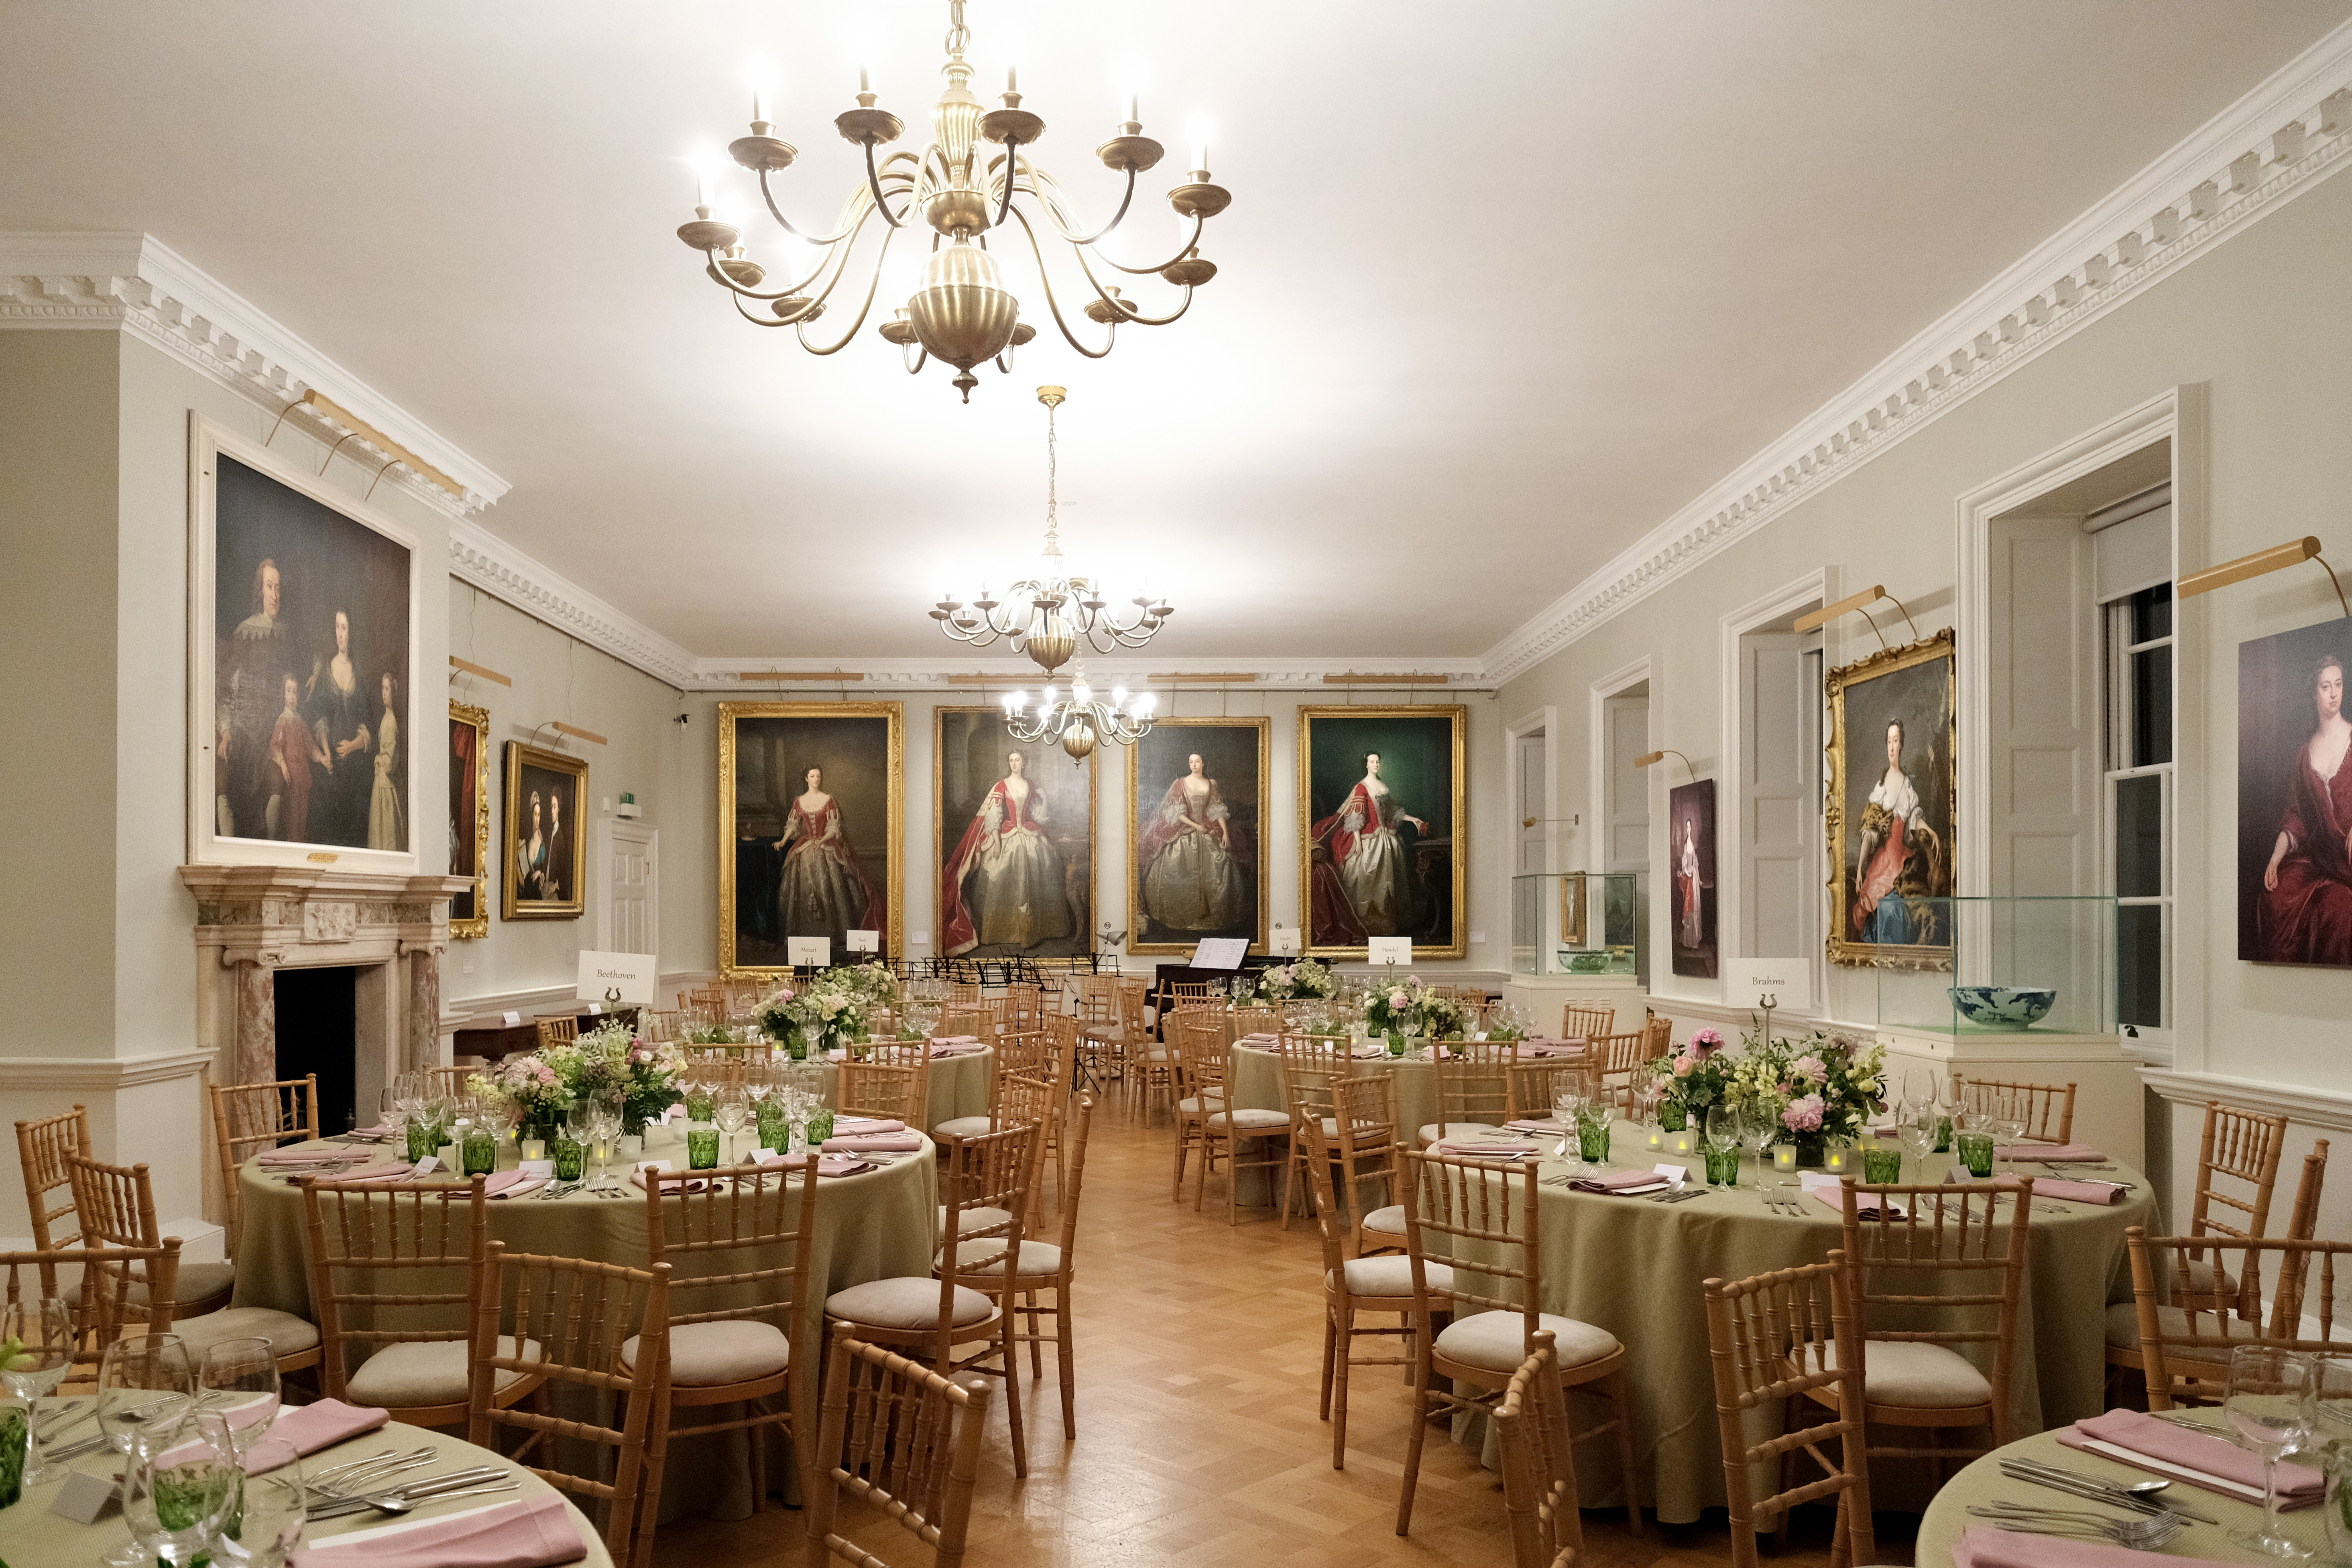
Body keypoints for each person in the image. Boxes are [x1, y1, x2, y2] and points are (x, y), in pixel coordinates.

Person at [2256, 652, 2352, 964]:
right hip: (2322, 858)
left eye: (2338, 684)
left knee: (2339, 909)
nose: (2334, 693)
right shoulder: (2304, 755)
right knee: (2277, 896)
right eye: (2326, 686)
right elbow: (2296, 817)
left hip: (2350, 855)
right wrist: (2275, 858)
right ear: (2315, 692)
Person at [942, 748, 1072, 956]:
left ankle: (1039, 930)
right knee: (1000, 873)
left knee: (1042, 870)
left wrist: (1045, 799)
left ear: (1024, 763)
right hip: (1008, 835)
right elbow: (994, 816)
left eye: (1017, 760)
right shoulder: (1001, 786)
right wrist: (996, 842)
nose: (1014, 763)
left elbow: (1037, 815)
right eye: (1011, 760)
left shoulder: (1031, 785)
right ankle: (1004, 931)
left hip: (1030, 835)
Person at [1308, 752, 1428, 941]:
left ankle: (1389, 924)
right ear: (1366, 765)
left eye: (1378, 762)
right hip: (1368, 839)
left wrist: (1412, 819)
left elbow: (1392, 813)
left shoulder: (1383, 786)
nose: (1376, 765)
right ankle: (1368, 923)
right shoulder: (1362, 787)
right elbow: (1356, 817)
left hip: (1387, 838)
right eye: (1372, 762)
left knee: (1392, 878)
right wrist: (1357, 842)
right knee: (1366, 875)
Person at [1848, 718, 1945, 943]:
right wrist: (1862, 867)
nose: (1892, 747)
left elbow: (1913, 819)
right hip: (1883, 863)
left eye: (1896, 741)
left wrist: (1932, 831)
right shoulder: (1881, 787)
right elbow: (1870, 830)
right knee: (1884, 910)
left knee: (1902, 907)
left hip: (1902, 860)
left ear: (1902, 744)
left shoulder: (1908, 786)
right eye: (1889, 742)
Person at [773, 765, 883, 953]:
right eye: (813, 776)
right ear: (806, 779)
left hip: (826, 849)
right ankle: (805, 940)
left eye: (819, 776)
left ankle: (834, 935)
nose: (816, 779)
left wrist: (822, 841)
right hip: (805, 849)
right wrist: (783, 841)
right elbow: (793, 824)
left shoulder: (829, 800)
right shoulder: (799, 802)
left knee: (832, 890)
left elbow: (833, 828)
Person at [1137, 752, 1250, 934]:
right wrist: (1196, 826)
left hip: (1207, 831)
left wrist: (1226, 834)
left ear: (1203, 763)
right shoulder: (1180, 784)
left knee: (1221, 864)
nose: (1194, 765)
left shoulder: (1210, 784)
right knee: (1176, 867)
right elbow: (1177, 813)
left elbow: (1216, 810)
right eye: (1191, 762)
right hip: (1187, 830)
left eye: (1197, 762)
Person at [222, 557, 289, 836]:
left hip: (275, 729)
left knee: (278, 787)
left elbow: (290, 682)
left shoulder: (285, 634)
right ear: (260, 591)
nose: (275, 595)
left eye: (278, 588)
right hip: (246, 731)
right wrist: (227, 731)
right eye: (269, 587)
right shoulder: (245, 632)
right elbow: (228, 687)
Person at [307, 608, 372, 843]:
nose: (340, 634)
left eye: (344, 628)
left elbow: (368, 721)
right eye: (337, 627)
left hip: (356, 767)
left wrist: (353, 746)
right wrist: (326, 751)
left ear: (351, 632)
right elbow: (321, 717)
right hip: (331, 765)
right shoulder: (326, 672)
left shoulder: (360, 672)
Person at [265, 673, 328, 841]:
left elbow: (309, 744)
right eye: (289, 692)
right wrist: (283, 765)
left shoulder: (300, 720)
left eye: (295, 692)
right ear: (284, 694)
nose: (292, 697)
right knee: (293, 818)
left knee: (303, 817)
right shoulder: (283, 719)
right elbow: (275, 747)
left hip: (303, 774)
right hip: (291, 775)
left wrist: (322, 758)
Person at [368, 671, 405, 851]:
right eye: (383, 689)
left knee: (387, 836)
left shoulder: (390, 721)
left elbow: (390, 764)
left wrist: (378, 759)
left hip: (386, 786)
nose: (384, 693)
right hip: (383, 783)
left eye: (387, 689)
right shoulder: (387, 718)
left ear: (394, 693)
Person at [517, 790, 549, 901]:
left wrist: (539, 873)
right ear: (531, 816)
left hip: (537, 895)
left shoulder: (543, 844)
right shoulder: (526, 842)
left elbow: (546, 868)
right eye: (535, 815)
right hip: (526, 892)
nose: (537, 819)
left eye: (539, 815)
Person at [1677, 820, 1703, 949]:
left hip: (1695, 878)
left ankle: (1695, 941)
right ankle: (1689, 941)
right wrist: (1688, 873)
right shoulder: (1686, 844)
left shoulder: (1692, 843)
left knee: (1696, 907)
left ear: (1692, 828)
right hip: (1689, 878)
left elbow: (1696, 863)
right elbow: (1684, 864)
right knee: (1690, 907)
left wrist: (1698, 880)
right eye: (1687, 827)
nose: (1688, 829)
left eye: (1690, 827)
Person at [544, 787, 571, 903]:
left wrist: (555, 886)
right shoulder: (548, 834)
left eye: (555, 807)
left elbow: (567, 868)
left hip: (555, 892)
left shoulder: (563, 836)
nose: (552, 811)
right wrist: (541, 874)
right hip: (546, 887)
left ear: (559, 808)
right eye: (551, 806)